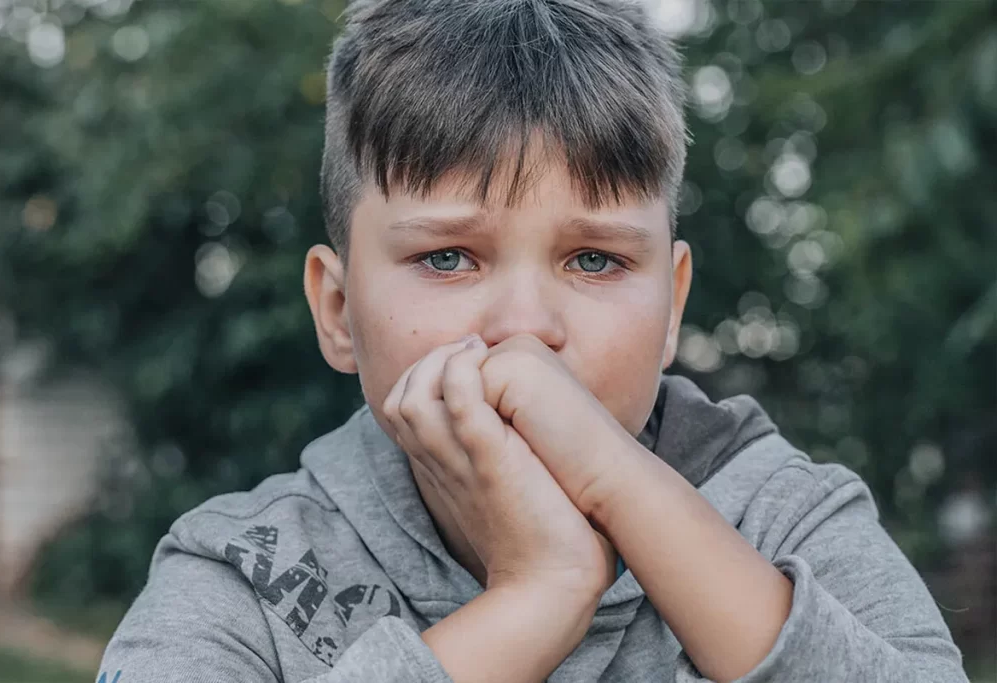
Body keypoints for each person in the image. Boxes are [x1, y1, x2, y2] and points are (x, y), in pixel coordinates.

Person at [95, 1, 972, 681]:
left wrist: (616, 485)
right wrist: (536, 597)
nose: (525, 329)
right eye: (448, 256)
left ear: (671, 309)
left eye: (593, 259)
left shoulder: (788, 519)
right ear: (336, 309)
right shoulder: (246, 569)